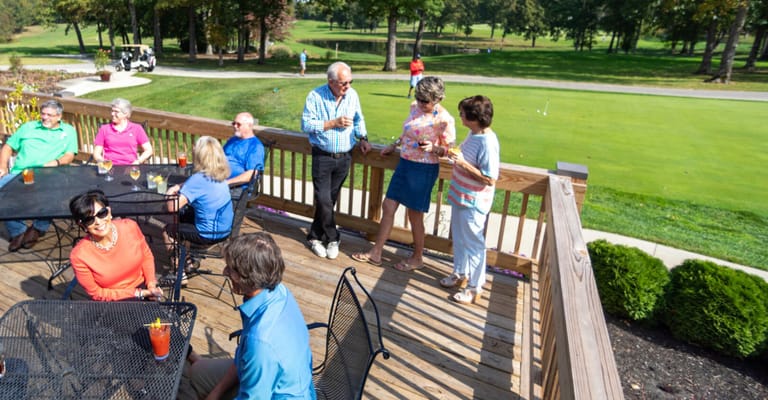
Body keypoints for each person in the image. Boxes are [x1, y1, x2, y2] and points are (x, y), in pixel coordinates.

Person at [177, 232, 315, 399]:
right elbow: (244, 355)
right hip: (272, 377)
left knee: (182, 386)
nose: (225, 272)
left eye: (231, 269)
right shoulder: (279, 291)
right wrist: (215, 394)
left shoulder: (260, 342)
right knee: (196, 371)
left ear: (246, 277)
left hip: (273, 393)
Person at [351, 76, 455, 271]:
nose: (421, 103)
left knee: (414, 215)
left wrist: (434, 148)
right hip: (405, 163)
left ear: (438, 98)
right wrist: (394, 145)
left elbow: (449, 150)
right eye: (419, 98)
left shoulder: (445, 120)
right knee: (388, 205)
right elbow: (408, 131)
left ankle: (417, 258)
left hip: (424, 168)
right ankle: (376, 253)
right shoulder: (414, 107)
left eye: (426, 101)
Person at [301, 61, 371, 260]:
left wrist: (363, 138)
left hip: (344, 157)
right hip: (323, 156)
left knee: (329, 201)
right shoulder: (315, 96)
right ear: (330, 81)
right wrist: (333, 123)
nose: (347, 86)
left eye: (350, 82)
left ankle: (314, 237)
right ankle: (333, 237)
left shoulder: (353, 95)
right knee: (323, 200)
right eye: (343, 83)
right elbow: (306, 124)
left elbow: (359, 119)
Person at [441, 95, 500, 305]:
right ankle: (460, 273)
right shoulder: (473, 134)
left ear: (474, 117)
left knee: (474, 244)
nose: (460, 116)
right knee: (459, 238)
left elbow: (490, 178)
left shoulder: (488, 142)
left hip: (474, 203)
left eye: (463, 113)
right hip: (460, 196)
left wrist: (463, 163)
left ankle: (475, 288)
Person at [0, 100, 78, 252]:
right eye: (43, 114)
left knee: (55, 194)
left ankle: (37, 228)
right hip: (21, 172)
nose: (45, 118)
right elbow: (8, 146)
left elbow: (70, 155)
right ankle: (19, 231)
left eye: (50, 115)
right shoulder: (28, 127)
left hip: (50, 173)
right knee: (2, 191)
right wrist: (2, 166)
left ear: (59, 116)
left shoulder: (68, 131)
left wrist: (56, 162)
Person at [68, 190, 163, 301]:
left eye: (102, 213)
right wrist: (139, 293)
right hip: (112, 299)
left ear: (109, 211)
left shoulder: (130, 226)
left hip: (144, 286)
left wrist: (151, 284)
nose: (98, 222)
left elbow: (146, 255)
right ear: (82, 225)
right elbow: (97, 293)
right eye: (89, 220)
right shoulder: (79, 256)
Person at [163, 136, 233, 268]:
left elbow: (172, 207)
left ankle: (179, 273)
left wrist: (169, 193)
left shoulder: (198, 180)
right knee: (183, 217)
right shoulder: (220, 174)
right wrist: (180, 186)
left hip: (207, 234)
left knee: (168, 230)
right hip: (224, 229)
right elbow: (197, 186)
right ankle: (187, 261)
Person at [93, 98, 153, 165]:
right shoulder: (104, 129)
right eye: (112, 111)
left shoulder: (136, 129)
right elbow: (96, 153)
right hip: (110, 168)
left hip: (130, 168)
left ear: (125, 114)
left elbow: (149, 150)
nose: (112, 114)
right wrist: (104, 163)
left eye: (116, 111)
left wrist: (137, 162)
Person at [223, 112, 264, 188]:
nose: (235, 126)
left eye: (238, 124)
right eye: (233, 123)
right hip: (218, 179)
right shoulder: (233, 140)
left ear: (249, 126)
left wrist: (227, 183)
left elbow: (251, 174)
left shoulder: (255, 146)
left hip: (235, 187)